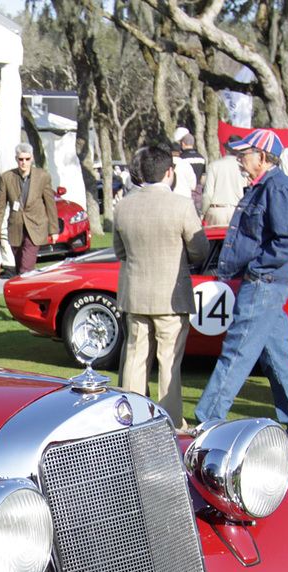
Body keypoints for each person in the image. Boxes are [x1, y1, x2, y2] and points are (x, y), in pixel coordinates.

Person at [193, 128, 288, 448]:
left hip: (264, 283)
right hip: (267, 282)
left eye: (244, 154)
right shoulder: (270, 184)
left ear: (263, 157)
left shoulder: (276, 186)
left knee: (236, 352)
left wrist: (258, 270)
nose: (239, 159)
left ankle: (207, 419)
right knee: (278, 356)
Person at [114, 146, 211, 427]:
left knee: (134, 358)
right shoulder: (181, 205)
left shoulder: (123, 205)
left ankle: (127, 421)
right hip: (171, 296)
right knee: (169, 363)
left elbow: (120, 252)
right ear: (170, 173)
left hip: (135, 294)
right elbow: (200, 249)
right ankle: (171, 422)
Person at [0, 144, 57, 273]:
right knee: (20, 265)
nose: (24, 162)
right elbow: (0, 207)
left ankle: (25, 288)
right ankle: (24, 291)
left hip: (35, 227)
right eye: (21, 159)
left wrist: (53, 230)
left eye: (27, 159)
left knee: (26, 266)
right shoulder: (8, 177)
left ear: (32, 158)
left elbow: (50, 204)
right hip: (16, 228)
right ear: (16, 159)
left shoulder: (43, 176)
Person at [201, 140, 246, 227]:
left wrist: (203, 212)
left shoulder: (214, 165)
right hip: (237, 210)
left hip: (216, 211)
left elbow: (208, 194)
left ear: (226, 150)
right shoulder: (243, 167)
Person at [175, 129, 205, 198]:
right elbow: (203, 177)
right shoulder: (201, 158)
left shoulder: (181, 158)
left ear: (183, 143)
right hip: (198, 191)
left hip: (184, 190)